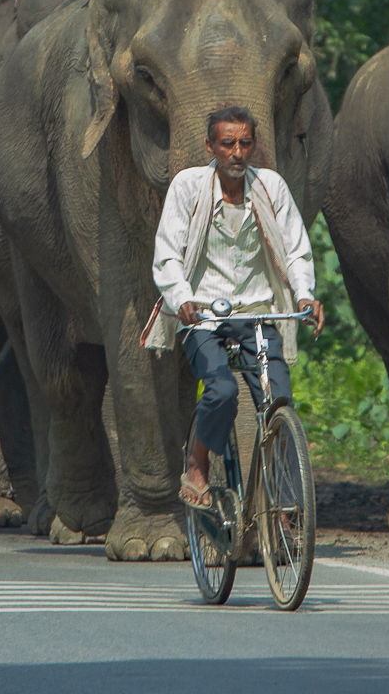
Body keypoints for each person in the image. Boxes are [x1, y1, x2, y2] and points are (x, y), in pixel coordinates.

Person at [143, 107, 323, 509]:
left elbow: (295, 250)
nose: (237, 153)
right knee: (221, 389)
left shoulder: (271, 187)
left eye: (245, 143)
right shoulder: (189, 186)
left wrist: (304, 295)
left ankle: (285, 504)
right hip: (203, 314)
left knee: (279, 402)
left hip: (257, 312)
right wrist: (182, 298)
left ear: (253, 146)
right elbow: (167, 254)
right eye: (228, 144)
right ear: (211, 147)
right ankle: (197, 464)